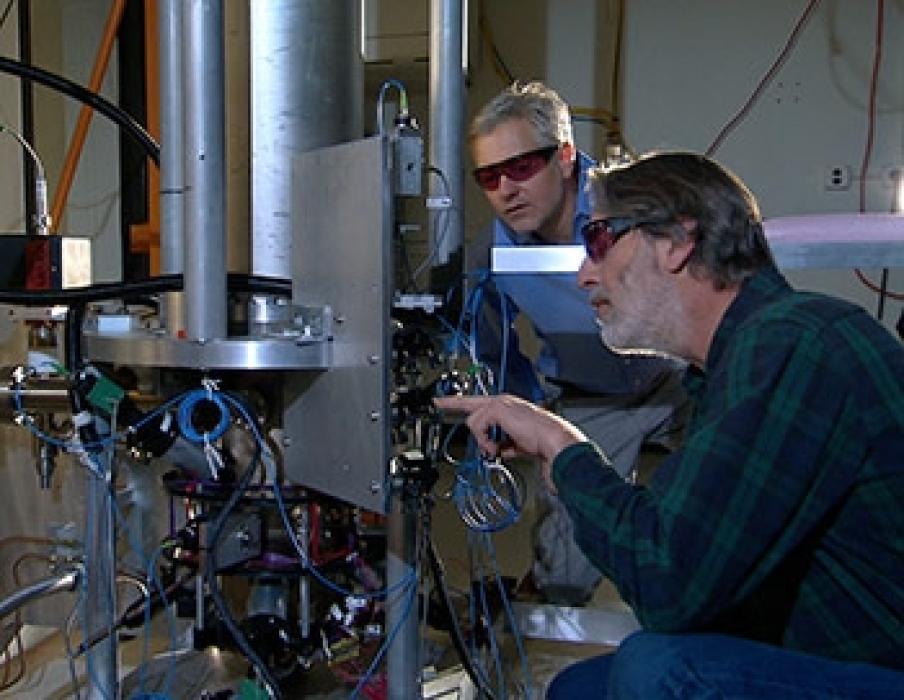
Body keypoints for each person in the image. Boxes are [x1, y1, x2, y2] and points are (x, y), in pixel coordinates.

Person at [438, 152, 904, 698]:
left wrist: (562, 446)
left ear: (679, 242)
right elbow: (692, 553)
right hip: (820, 646)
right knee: (578, 689)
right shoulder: (735, 365)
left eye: (600, 239)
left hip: (881, 668)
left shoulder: (794, 344)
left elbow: (666, 582)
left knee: (657, 668)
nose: (586, 273)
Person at [467, 82, 687, 603]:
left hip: (675, 376)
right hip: (591, 397)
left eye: (522, 167)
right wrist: (525, 407)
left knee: (726, 508)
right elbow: (487, 334)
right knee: (563, 572)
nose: (506, 189)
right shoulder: (492, 252)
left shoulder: (634, 204)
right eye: (489, 176)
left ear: (565, 157)